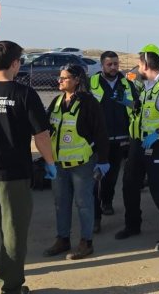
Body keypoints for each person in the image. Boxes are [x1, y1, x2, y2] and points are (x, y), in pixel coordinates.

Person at [0, 40, 55, 294]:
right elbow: (41, 135)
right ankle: (11, 287)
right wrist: (51, 163)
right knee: (13, 231)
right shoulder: (24, 94)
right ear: (15, 63)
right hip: (12, 174)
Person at [116, 44, 159, 251]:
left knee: (158, 188)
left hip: (158, 143)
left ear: (145, 64)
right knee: (129, 184)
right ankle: (132, 225)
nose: (137, 68)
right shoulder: (147, 85)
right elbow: (143, 110)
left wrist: (158, 133)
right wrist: (127, 102)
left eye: (138, 64)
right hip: (138, 142)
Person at [42, 64, 108, 260]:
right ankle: (62, 239)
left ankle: (86, 242)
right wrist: (47, 161)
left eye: (65, 78)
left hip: (83, 165)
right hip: (59, 165)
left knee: (84, 203)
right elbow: (47, 130)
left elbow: (101, 133)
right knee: (61, 203)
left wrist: (103, 161)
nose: (60, 81)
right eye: (59, 77)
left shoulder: (89, 103)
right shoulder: (56, 102)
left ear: (77, 80)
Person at [89, 51, 139, 232]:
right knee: (94, 180)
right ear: (102, 65)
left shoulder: (127, 84)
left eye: (116, 64)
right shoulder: (91, 83)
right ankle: (95, 219)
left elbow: (137, 106)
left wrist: (127, 102)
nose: (113, 67)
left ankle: (107, 202)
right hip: (97, 140)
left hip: (120, 138)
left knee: (111, 176)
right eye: (109, 64)